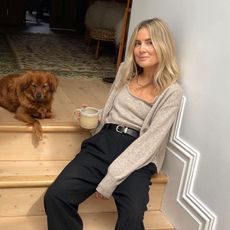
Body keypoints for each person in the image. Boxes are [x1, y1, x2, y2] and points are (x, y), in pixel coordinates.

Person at [44, 18, 183, 230]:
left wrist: (111, 178)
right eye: (137, 43)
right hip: (104, 143)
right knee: (56, 196)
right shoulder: (126, 70)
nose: (141, 49)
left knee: (132, 216)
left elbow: (151, 140)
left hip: (139, 154)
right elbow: (113, 110)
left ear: (163, 45)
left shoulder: (172, 92)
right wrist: (94, 116)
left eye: (149, 42)